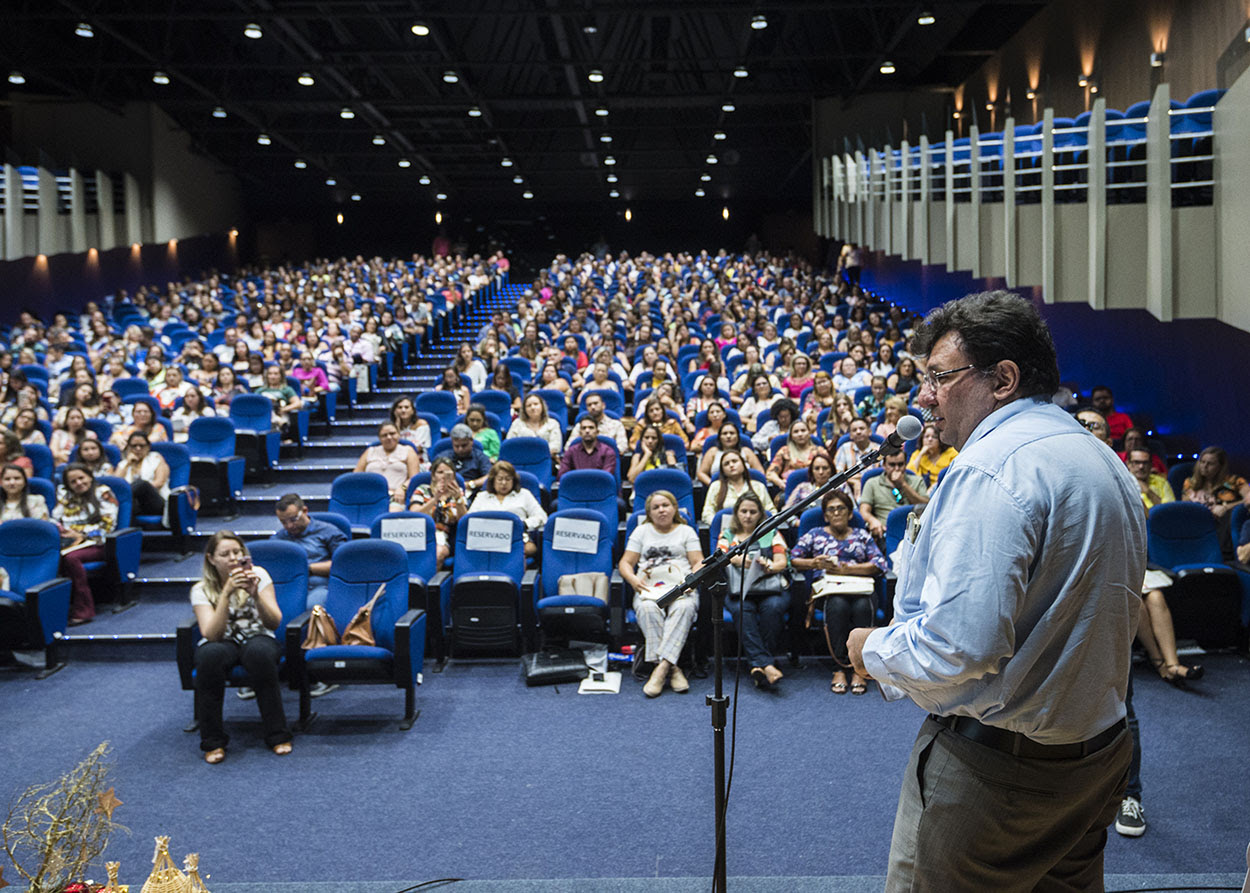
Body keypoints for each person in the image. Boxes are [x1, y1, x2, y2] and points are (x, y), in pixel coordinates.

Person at [847, 291, 1145, 892]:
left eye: (940, 377)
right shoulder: (1101, 456)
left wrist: (869, 650)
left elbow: (961, 646)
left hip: (999, 771)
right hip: (1095, 755)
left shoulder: (991, 467)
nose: (925, 396)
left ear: (1003, 379)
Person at [190, 532, 293, 764]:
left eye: (237, 552)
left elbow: (274, 622)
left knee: (259, 655)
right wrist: (226, 594)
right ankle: (213, 742)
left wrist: (256, 595)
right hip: (222, 641)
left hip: (258, 636)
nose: (233, 558)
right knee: (208, 657)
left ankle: (277, 735)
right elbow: (212, 634)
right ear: (211, 559)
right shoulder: (200, 589)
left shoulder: (260, 575)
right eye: (225, 554)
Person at [792, 489, 888, 694]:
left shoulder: (861, 535)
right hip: (829, 591)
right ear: (825, 515)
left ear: (850, 513)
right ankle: (840, 668)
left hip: (860, 588)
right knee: (838, 605)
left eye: (841, 508)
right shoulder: (815, 534)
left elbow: (879, 564)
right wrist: (814, 563)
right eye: (831, 510)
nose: (836, 513)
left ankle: (860, 669)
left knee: (862, 606)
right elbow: (794, 559)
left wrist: (847, 569)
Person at [618, 490, 704, 697]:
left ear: (674, 508)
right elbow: (625, 563)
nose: (661, 510)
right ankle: (672, 668)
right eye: (655, 507)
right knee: (648, 609)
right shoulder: (641, 531)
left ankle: (660, 670)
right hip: (648, 588)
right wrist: (633, 580)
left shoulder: (686, 531)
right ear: (649, 512)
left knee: (684, 607)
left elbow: (698, 562)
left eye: (665, 505)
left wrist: (692, 580)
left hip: (680, 587)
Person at [719, 492, 789, 688]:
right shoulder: (728, 534)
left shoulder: (771, 533)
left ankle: (758, 665)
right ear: (736, 513)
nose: (748, 516)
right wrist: (740, 560)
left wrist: (769, 566)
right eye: (743, 511)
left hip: (769, 587)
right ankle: (767, 664)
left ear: (760, 514)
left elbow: (781, 561)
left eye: (753, 512)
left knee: (773, 607)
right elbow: (721, 557)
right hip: (739, 589)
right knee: (742, 609)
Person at [52, 464, 120, 626]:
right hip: (69, 542)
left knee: (70, 558)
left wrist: (81, 534)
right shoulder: (66, 496)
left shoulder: (103, 493)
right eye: (73, 481)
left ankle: (84, 609)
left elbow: (108, 526)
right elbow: (55, 518)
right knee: (50, 556)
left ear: (90, 476)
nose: (79, 483)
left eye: (81, 478)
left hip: (98, 543)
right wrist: (60, 529)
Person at [466, 461, 547, 557]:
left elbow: (542, 517)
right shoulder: (482, 496)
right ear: (493, 480)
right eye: (500, 479)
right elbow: (469, 519)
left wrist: (524, 524)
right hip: (487, 538)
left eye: (508, 479)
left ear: (513, 480)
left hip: (516, 538)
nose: (504, 483)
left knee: (529, 549)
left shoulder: (524, 494)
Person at [408, 456, 468, 570]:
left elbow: (464, 520)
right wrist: (434, 499)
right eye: (440, 472)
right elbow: (414, 514)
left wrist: (458, 499)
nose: (443, 476)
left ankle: (427, 581)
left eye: (447, 473)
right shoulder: (422, 489)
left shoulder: (458, 492)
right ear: (433, 475)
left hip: (443, 536)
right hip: (419, 533)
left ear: (453, 475)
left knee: (437, 554)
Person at [858, 451, 929, 539]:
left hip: (913, 533)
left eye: (900, 464)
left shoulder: (917, 481)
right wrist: (873, 521)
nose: (897, 469)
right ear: (884, 465)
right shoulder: (872, 483)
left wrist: (903, 484)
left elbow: (926, 506)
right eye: (892, 465)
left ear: (905, 465)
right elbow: (864, 511)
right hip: (885, 532)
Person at [355, 422, 421, 509]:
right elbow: (356, 476)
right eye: (384, 435)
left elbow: (414, 478)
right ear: (379, 438)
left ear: (399, 434)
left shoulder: (408, 451)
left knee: (392, 513)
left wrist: (403, 488)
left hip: (396, 496)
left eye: (392, 433)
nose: (389, 437)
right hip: (370, 496)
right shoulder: (370, 451)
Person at [703, 448, 775, 523]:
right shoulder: (716, 486)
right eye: (726, 464)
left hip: (756, 527)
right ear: (722, 470)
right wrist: (717, 524)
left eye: (734, 461)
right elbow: (707, 513)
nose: (731, 465)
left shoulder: (758, 486)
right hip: (725, 528)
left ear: (743, 464)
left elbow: (771, 511)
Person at [114, 433, 169, 519]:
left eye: (142, 446)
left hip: (154, 502)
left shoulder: (155, 458)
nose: (138, 449)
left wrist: (140, 488)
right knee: (129, 501)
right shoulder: (124, 464)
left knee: (142, 484)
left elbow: (159, 482)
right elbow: (115, 484)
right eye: (134, 446)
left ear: (148, 447)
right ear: (128, 447)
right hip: (135, 504)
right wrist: (127, 464)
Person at [766, 419, 829, 492]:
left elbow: (831, 470)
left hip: (817, 490)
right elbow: (770, 473)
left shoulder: (819, 451)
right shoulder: (785, 451)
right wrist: (780, 482)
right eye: (796, 432)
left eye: (803, 430)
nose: (800, 434)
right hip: (790, 490)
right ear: (791, 436)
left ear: (809, 433)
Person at [434, 423, 491, 492]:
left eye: (464, 445)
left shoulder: (480, 456)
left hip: (472, 490)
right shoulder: (442, 457)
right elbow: (433, 476)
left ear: (471, 441)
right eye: (456, 446)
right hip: (446, 490)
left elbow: (489, 476)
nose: (460, 449)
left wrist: (470, 484)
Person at [905, 422, 957, 488]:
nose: (930, 439)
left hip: (946, 486)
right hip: (923, 490)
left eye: (934, 437)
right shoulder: (917, 454)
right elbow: (910, 475)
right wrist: (921, 454)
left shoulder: (951, 453)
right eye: (926, 437)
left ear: (940, 439)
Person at [388, 396, 431, 468]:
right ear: (395, 411)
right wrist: (397, 427)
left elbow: (417, 448)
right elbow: (390, 447)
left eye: (406, 407)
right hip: (396, 461)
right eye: (400, 407)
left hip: (419, 461)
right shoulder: (390, 427)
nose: (403, 410)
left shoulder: (421, 424)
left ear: (413, 411)